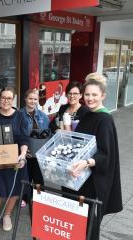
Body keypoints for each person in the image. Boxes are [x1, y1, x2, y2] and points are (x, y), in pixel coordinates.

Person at [67, 73, 123, 239]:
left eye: (94, 95)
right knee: (78, 219)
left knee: (89, 222)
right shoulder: (86, 113)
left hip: (93, 180)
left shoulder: (104, 119)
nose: (89, 98)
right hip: (80, 176)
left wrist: (85, 162)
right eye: (87, 94)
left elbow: (106, 154)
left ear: (103, 96)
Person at [0, 87, 28, 232]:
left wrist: (23, 153)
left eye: (9, 98)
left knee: (13, 191)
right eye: (3, 98)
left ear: (13, 99)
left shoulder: (20, 116)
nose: (6, 101)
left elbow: (24, 138)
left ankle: (7, 215)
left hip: (15, 159)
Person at [20, 89, 50, 207]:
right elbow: (16, 134)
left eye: (35, 99)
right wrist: (21, 149)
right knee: (26, 176)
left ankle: (40, 197)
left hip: (39, 152)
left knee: (38, 176)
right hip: (26, 151)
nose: (33, 101)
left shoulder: (43, 116)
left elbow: (47, 133)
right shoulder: (19, 115)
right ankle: (25, 198)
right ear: (25, 99)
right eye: (30, 98)